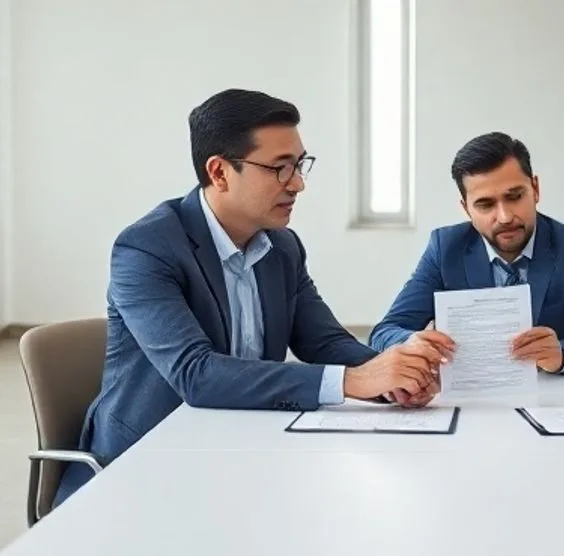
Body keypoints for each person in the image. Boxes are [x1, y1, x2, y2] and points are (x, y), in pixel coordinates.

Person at [54, 89, 444, 507]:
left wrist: (394, 375)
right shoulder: (146, 248)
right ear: (220, 172)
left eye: (299, 165)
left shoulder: (283, 247)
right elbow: (196, 374)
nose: (297, 183)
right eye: (279, 168)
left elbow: (324, 341)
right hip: (142, 471)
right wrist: (355, 380)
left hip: (240, 452)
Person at [369, 132, 564, 400]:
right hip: (467, 399)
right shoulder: (445, 247)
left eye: (515, 196)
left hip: (547, 395)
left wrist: (563, 354)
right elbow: (385, 332)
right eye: (485, 205)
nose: (505, 217)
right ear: (466, 209)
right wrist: (413, 345)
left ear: (535, 189)